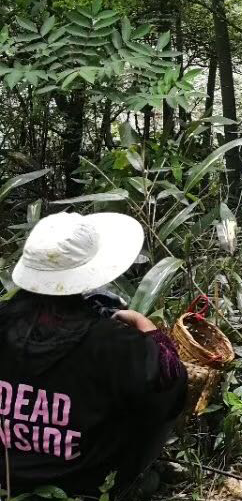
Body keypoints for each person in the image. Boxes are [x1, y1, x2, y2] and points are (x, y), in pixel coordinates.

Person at [0, 212, 188, 499]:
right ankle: (136, 480)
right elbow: (170, 380)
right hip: (84, 484)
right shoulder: (113, 343)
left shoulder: (4, 321)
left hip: (7, 479)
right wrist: (146, 327)